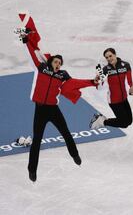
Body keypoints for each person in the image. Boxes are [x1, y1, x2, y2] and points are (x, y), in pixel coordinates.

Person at [17, 15, 99, 182]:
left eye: (60, 63)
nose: (58, 64)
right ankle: (32, 170)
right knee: (37, 139)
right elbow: (32, 53)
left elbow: (76, 83)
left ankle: (75, 155)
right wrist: (26, 40)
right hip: (40, 109)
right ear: (50, 62)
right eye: (56, 61)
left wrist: (92, 82)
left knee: (66, 133)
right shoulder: (40, 68)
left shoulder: (62, 76)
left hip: (53, 110)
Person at [90, 48, 133, 129]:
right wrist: (97, 80)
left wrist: (131, 87)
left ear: (115, 54)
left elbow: (129, 79)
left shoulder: (125, 65)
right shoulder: (106, 69)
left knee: (129, 121)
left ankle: (101, 120)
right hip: (114, 100)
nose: (109, 59)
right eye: (107, 57)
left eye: (110, 56)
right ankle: (102, 121)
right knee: (124, 123)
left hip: (124, 98)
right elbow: (99, 87)